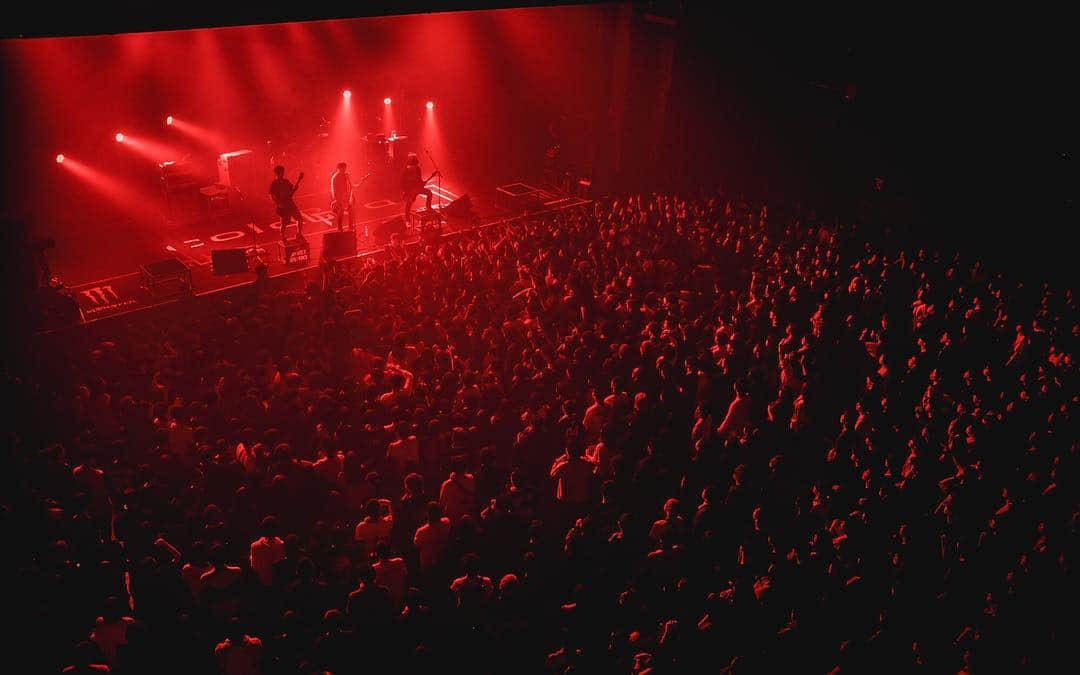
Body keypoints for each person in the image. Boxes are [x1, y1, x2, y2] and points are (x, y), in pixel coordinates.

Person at [400, 153, 438, 228]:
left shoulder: (418, 169)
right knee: (409, 202)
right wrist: (408, 191)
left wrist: (422, 183)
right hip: (409, 191)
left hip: (418, 188)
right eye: (414, 166)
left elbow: (420, 181)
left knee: (429, 193)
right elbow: (401, 184)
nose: (415, 167)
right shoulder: (405, 172)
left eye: (416, 166)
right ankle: (407, 220)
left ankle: (428, 207)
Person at [269, 165, 305, 243]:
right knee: (284, 223)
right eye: (280, 172)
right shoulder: (274, 183)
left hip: (290, 203)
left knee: (299, 218)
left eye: (282, 172)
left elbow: (293, 189)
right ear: (276, 173)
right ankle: (283, 237)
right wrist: (277, 203)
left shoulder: (286, 181)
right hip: (282, 205)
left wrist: (299, 180)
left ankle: (299, 234)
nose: (282, 174)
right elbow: (271, 195)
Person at [329, 162, 353, 232]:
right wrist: (337, 199)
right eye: (342, 168)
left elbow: (349, 185)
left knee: (350, 210)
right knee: (341, 213)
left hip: (346, 196)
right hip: (339, 197)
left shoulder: (346, 175)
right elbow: (334, 189)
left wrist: (349, 194)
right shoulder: (335, 177)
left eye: (345, 168)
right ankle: (340, 228)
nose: (344, 169)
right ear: (339, 168)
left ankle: (350, 226)